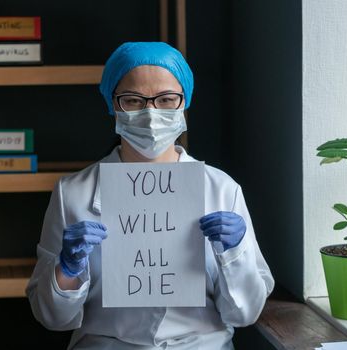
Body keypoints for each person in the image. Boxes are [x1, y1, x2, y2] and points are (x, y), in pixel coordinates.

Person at [26, 41, 274, 350]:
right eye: (132, 100)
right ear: (112, 104)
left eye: (167, 99)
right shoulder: (73, 194)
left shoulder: (222, 190)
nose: (151, 114)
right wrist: (66, 270)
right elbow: (53, 319)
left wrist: (235, 254)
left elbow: (245, 313)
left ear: (184, 102)